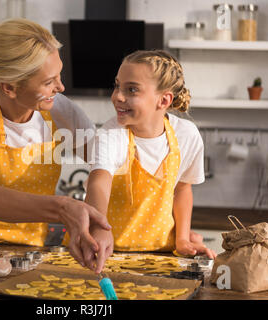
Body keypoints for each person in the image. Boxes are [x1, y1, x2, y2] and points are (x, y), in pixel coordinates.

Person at [0, 18, 111, 257]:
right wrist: (62, 207)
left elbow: (104, 163)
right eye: (49, 82)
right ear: (10, 88)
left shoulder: (60, 110)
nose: (61, 87)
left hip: (25, 252)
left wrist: (99, 223)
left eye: (59, 75)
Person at [76, 50, 217, 273]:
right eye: (117, 86)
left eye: (131, 89)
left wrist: (182, 239)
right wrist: (99, 228)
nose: (118, 97)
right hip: (108, 252)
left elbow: (182, 189)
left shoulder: (186, 135)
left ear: (164, 100)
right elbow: (98, 182)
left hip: (161, 254)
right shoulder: (112, 133)